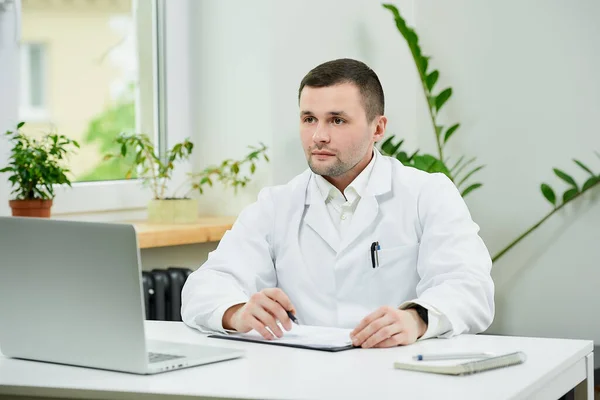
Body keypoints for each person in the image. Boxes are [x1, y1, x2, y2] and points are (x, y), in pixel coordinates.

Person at [181, 58, 494, 349]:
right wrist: (237, 312)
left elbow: (470, 287)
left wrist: (416, 318)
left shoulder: (428, 193)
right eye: (309, 119)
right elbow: (205, 285)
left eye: (337, 121)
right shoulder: (276, 204)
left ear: (378, 128)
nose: (318, 136)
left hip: (395, 371)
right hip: (301, 375)